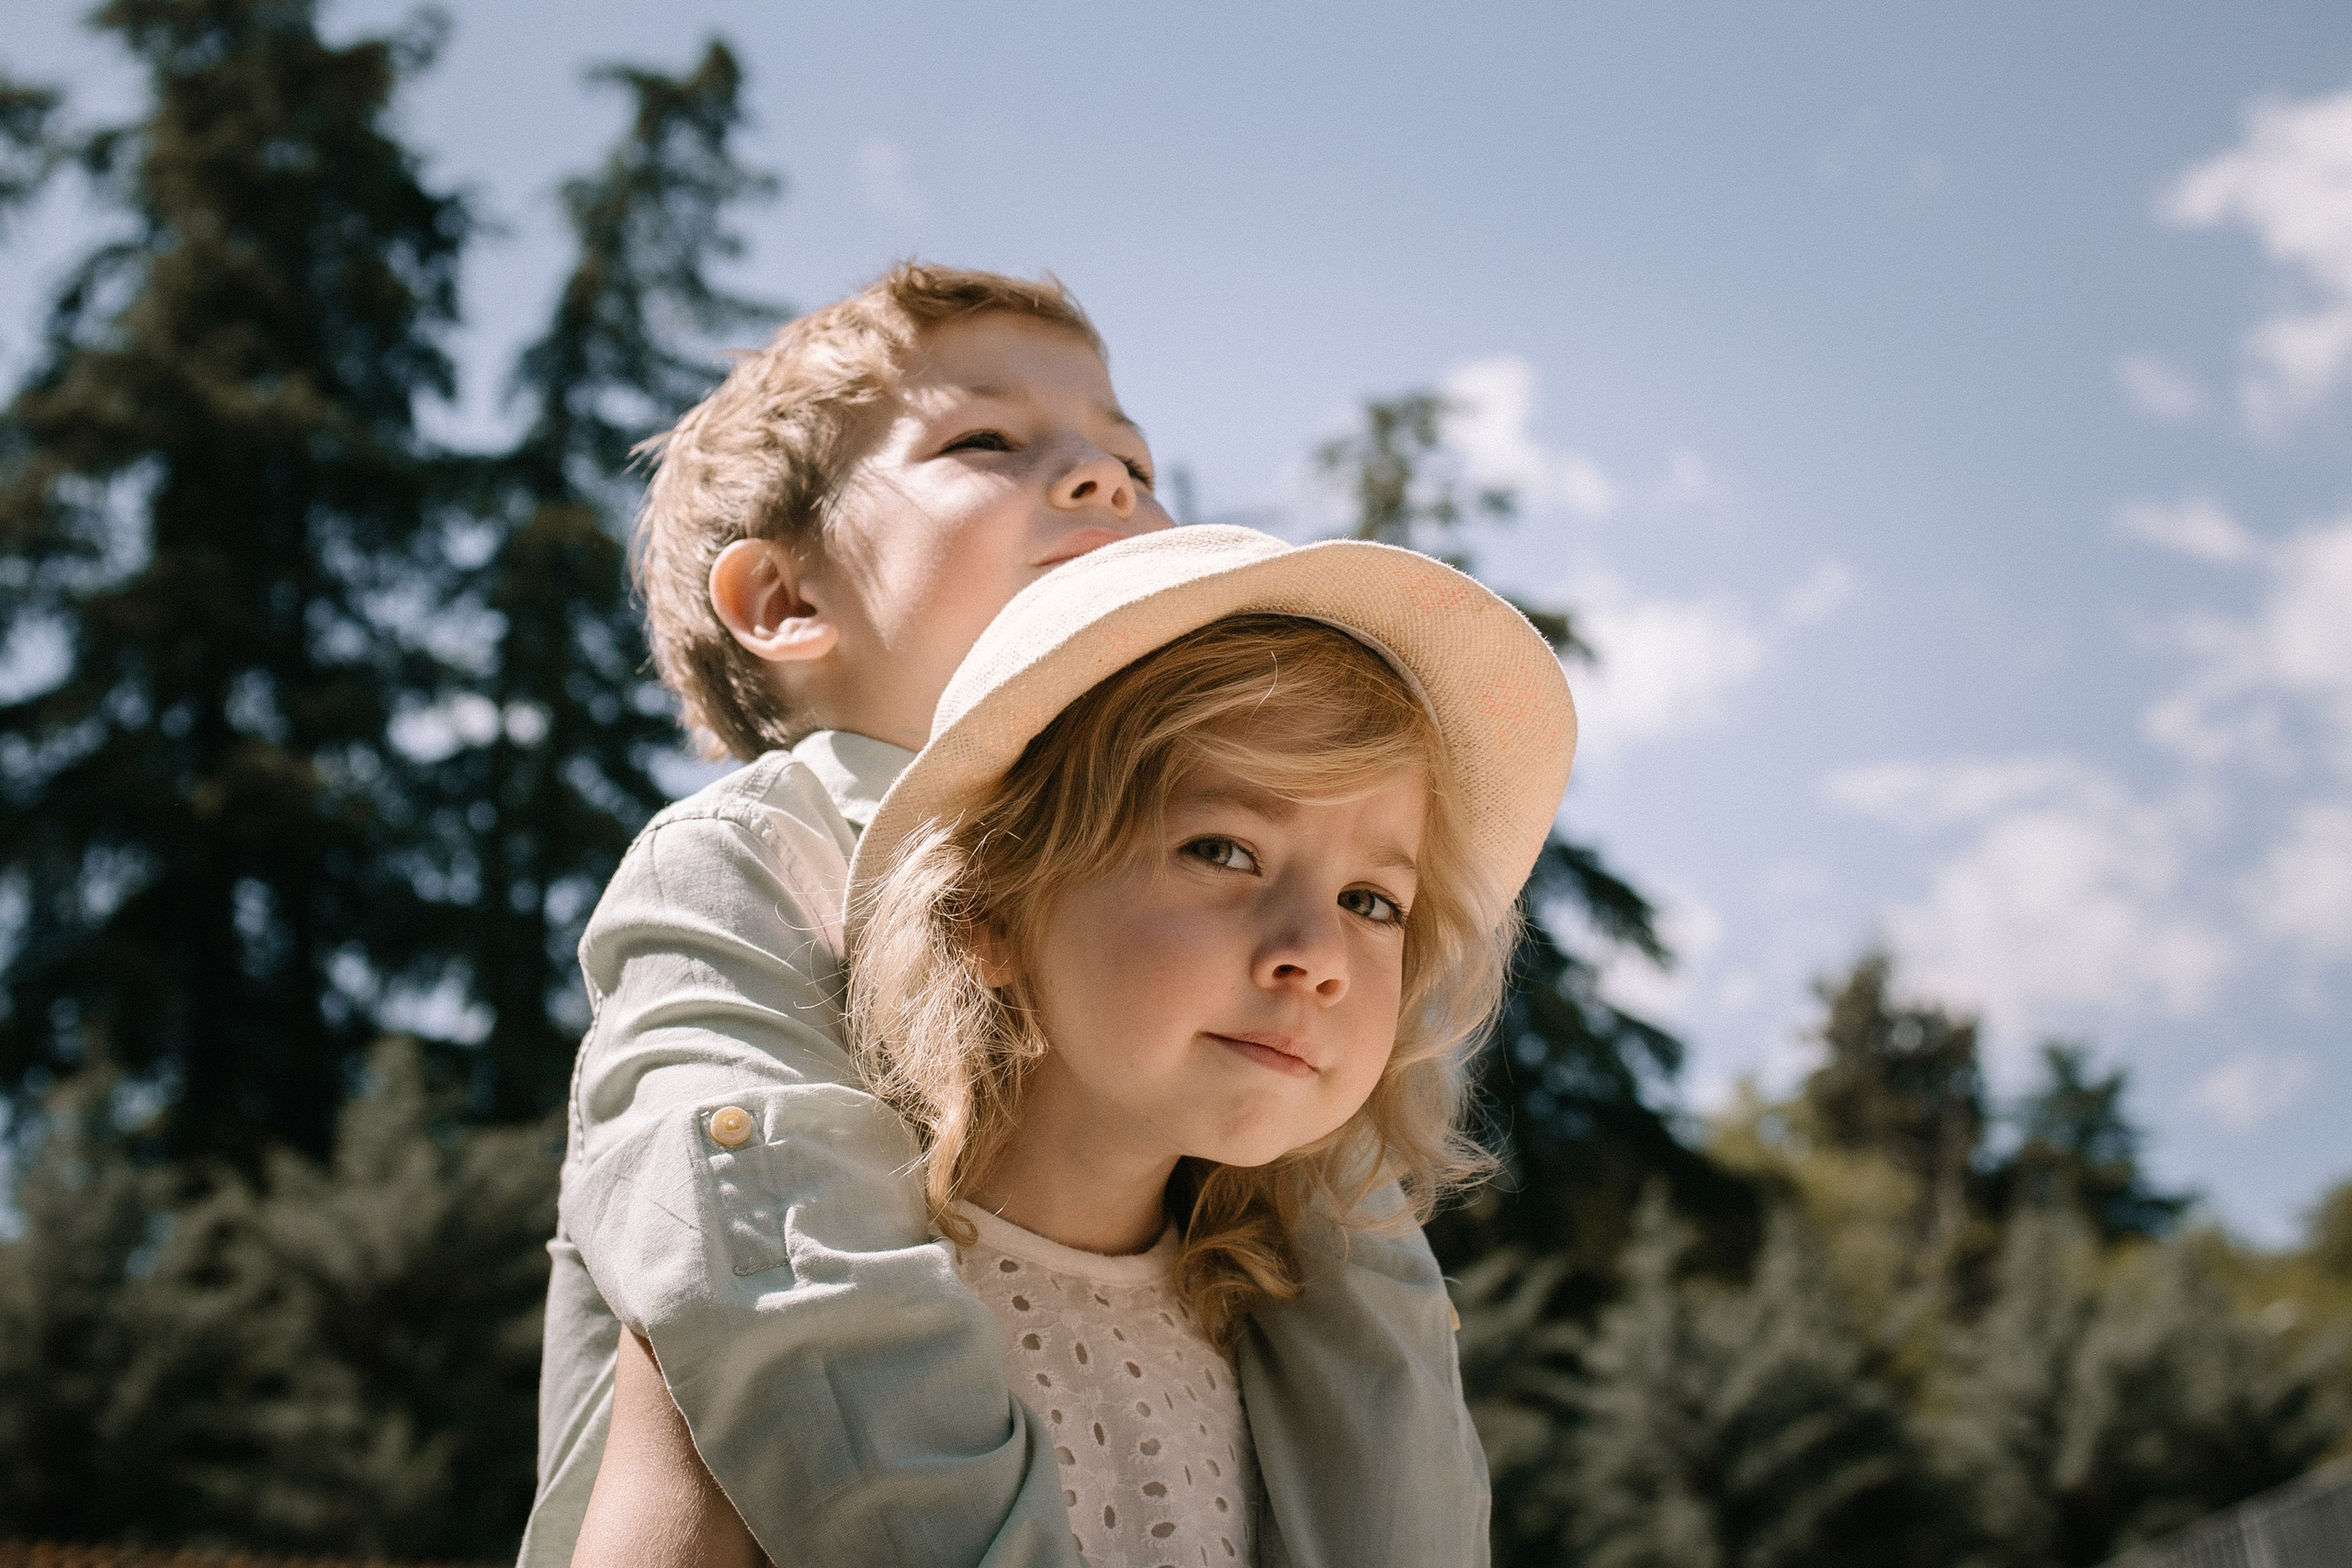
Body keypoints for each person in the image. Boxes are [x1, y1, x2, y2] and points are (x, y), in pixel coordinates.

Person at [521, 266, 1503, 1567]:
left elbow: (1378, 1376)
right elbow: (776, 1270)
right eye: (987, 438)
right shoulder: (754, 851)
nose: (1104, 481)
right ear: (785, 601)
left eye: (1134, 461)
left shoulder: (1249, 936)